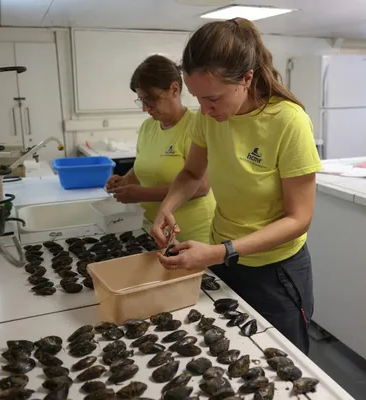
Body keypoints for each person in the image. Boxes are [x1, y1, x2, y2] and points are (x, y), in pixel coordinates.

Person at [149, 18, 322, 354]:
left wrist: (221, 251)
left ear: (246, 79)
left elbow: (299, 218)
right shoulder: (207, 117)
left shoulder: (288, 121)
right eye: (198, 98)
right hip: (225, 261)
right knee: (230, 357)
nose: (204, 109)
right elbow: (191, 173)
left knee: (282, 363)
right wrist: (166, 208)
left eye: (213, 98)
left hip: (276, 273)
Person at [106, 54, 216, 244]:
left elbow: (201, 187)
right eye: (141, 101)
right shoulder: (148, 127)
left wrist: (140, 194)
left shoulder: (195, 126)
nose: (145, 108)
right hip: (154, 228)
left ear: (174, 89)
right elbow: (143, 168)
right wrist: (124, 181)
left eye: (150, 100)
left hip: (193, 233)